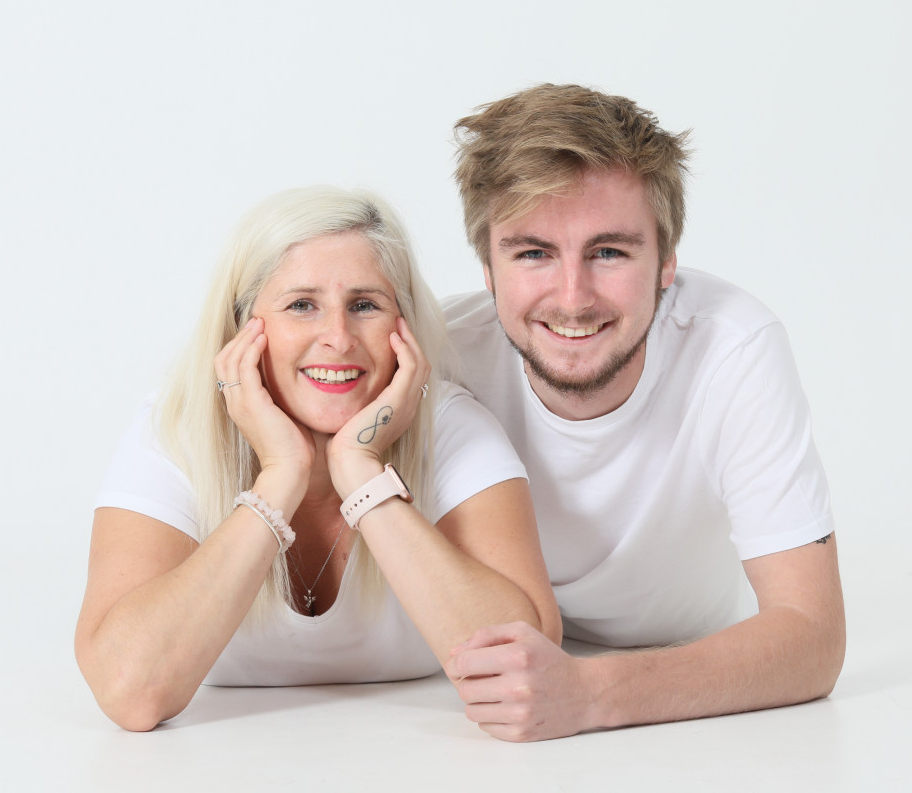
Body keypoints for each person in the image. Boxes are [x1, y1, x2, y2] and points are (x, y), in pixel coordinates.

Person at [441, 84, 845, 741]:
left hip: (689, 678)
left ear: (666, 263)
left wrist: (590, 694)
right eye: (533, 253)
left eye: (609, 252)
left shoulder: (733, 348)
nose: (573, 298)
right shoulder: (441, 354)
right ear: (487, 267)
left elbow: (813, 637)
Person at [75, 186, 560, 732]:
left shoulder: (452, 427)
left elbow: (531, 666)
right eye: (302, 305)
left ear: (403, 326)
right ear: (241, 328)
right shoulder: (174, 431)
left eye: (365, 305)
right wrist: (281, 476)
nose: (339, 338)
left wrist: (361, 471)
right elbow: (129, 692)